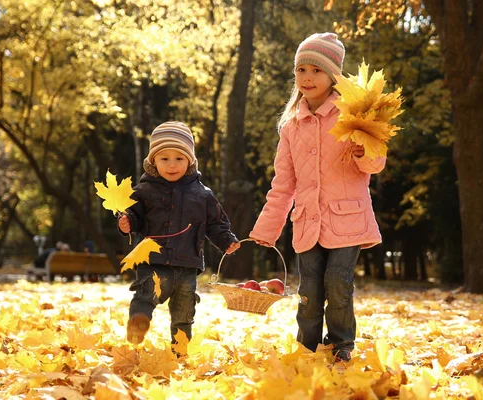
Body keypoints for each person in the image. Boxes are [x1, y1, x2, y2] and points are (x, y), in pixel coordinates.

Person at [249, 33, 386, 364]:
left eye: (316, 70)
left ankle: (341, 347)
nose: (307, 78)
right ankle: (307, 349)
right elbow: (284, 183)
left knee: (338, 284)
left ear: (333, 76)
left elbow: (375, 163)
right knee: (309, 292)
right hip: (308, 221)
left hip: (346, 219)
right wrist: (267, 228)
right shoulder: (291, 126)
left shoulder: (351, 114)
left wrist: (362, 150)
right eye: (301, 70)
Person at [118, 121, 240, 347]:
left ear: (190, 161)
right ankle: (139, 321)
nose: (172, 165)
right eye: (165, 159)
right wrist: (127, 223)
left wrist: (226, 240)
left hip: (187, 263)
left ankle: (181, 347)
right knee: (146, 293)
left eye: (179, 158)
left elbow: (215, 222)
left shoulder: (202, 194)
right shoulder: (144, 190)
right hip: (152, 260)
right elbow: (133, 214)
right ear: (153, 161)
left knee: (184, 311)